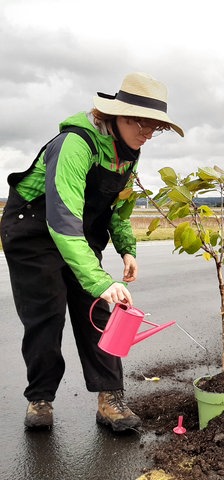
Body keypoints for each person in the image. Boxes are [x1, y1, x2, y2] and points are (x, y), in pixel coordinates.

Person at [0, 72, 184, 432]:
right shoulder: (74, 144)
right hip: (34, 232)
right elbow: (62, 218)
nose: (146, 133)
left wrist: (127, 250)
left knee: (98, 315)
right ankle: (40, 399)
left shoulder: (128, 153)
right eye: (141, 124)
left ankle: (110, 398)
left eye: (154, 128)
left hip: (77, 235)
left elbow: (116, 208)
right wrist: (99, 279)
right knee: (46, 315)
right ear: (115, 115)